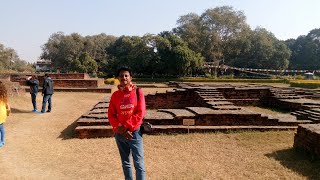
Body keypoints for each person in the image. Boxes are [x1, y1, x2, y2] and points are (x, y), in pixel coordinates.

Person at [108, 67, 146, 180]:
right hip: (120, 134)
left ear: (131, 78)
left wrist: (126, 127)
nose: (123, 77)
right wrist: (121, 128)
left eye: (126, 75)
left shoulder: (138, 92)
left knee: (139, 164)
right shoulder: (115, 95)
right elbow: (111, 114)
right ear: (118, 78)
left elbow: (140, 113)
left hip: (134, 132)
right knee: (126, 163)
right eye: (121, 76)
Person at [0, 81, 11, 147]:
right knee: (1, 127)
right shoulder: (3, 94)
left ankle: (2, 141)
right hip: (2, 112)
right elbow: (7, 103)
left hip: (0, 112)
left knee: (1, 127)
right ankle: (2, 141)